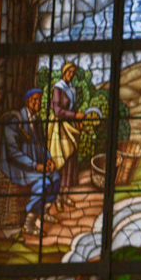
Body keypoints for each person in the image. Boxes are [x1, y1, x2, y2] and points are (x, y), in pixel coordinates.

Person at [0, 86, 63, 239]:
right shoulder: (16, 121)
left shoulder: (38, 121)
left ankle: (43, 211)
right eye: (35, 100)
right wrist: (35, 166)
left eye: (39, 100)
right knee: (43, 183)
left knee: (56, 177)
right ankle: (29, 223)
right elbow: (12, 152)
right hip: (18, 167)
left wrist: (49, 160)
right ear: (27, 101)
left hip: (36, 164)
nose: (38, 103)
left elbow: (41, 145)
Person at [45, 62, 84, 197]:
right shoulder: (58, 88)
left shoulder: (71, 88)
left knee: (71, 155)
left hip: (70, 124)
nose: (71, 75)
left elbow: (73, 107)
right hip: (59, 126)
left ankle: (67, 188)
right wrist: (75, 116)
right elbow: (57, 111)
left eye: (73, 73)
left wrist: (78, 121)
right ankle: (59, 190)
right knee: (63, 155)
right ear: (64, 72)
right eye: (69, 72)